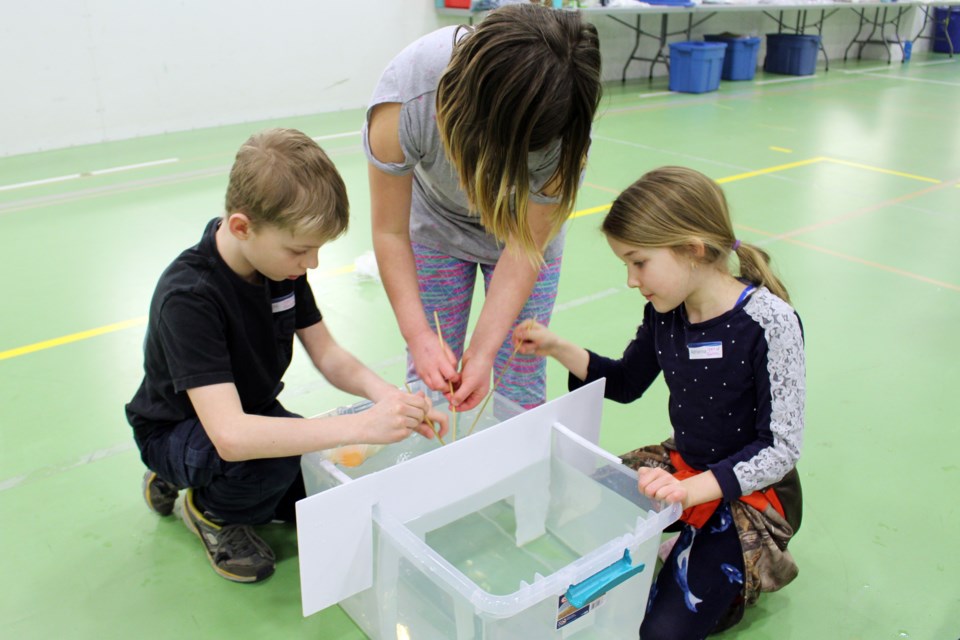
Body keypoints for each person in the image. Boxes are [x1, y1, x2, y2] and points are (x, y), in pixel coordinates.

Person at [125, 128, 447, 584]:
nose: (312, 263)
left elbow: (329, 354)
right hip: (179, 429)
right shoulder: (190, 297)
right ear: (242, 227)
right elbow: (232, 436)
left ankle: (203, 481)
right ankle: (208, 509)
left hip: (244, 415)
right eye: (301, 250)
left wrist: (390, 399)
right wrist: (359, 426)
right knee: (278, 460)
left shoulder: (277, 266)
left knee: (312, 481)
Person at [513, 166, 805, 638]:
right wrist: (556, 347)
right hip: (681, 467)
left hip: (751, 494)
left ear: (692, 248)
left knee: (659, 631)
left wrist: (692, 493)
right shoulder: (665, 312)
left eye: (638, 262)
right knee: (577, 503)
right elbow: (626, 382)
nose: (631, 279)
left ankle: (728, 580)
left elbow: (780, 450)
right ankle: (683, 545)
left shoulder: (770, 322)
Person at [364, 2, 603, 412]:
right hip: (437, 227)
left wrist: (484, 351)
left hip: (522, 235)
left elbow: (525, 247)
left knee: (520, 377)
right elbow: (389, 231)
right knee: (431, 381)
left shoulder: (566, 137)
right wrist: (419, 335)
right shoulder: (406, 101)